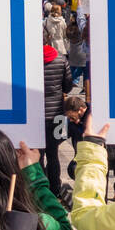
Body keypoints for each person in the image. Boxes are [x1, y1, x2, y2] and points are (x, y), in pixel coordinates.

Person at [41, 28, 72, 195]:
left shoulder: (28, 61)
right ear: (49, 38)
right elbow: (68, 85)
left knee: (36, 155)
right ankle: (55, 189)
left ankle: (38, 190)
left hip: (35, 115)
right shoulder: (61, 60)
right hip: (57, 114)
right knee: (53, 154)